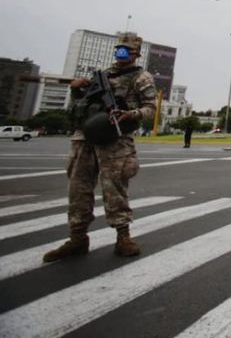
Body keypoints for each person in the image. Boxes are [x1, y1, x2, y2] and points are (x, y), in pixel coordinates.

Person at [43, 32, 157, 262]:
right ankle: (77, 238)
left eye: (125, 51)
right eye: (118, 50)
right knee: (78, 188)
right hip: (85, 136)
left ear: (136, 54)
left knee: (114, 188)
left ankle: (123, 237)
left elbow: (150, 108)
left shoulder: (141, 78)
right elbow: (81, 105)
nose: (120, 54)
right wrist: (76, 90)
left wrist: (130, 114)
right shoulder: (102, 76)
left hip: (115, 137)